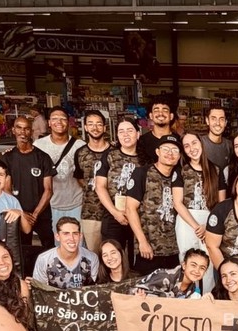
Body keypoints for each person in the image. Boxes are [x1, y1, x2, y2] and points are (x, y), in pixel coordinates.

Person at [174, 131, 226, 294]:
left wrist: (207, 225)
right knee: (187, 260)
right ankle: (187, 296)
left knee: (208, 260)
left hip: (210, 220)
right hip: (187, 220)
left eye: (194, 143)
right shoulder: (181, 170)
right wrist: (196, 226)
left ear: (201, 144)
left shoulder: (216, 170)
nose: (192, 148)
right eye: (187, 146)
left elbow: (221, 204)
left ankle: (207, 297)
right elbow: (177, 203)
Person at [125, 134, 184, 275]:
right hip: (149, 249)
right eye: (166, 149)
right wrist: (142, 241)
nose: (170, 153)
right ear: (157, 152)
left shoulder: (180, 176)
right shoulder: (142, 173)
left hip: (174, 249)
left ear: (179, 156)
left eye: (175, 150)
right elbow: (130, 208)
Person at [0, 115, 56, 252]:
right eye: (19, 128)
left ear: (31, 131)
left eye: (26, 129)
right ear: (13, 130)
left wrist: (35, 214)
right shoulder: (7, 158)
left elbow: (48, 190)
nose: (22, 132)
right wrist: (22, 212)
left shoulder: (43, 157)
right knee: (23, 249)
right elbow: (6, 189)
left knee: (49, 249)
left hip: (41, 213)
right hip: (19, 213)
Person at [34, 106, 86, 240]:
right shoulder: (39, 145)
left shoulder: (80, 145)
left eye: (63, 119)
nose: (59, 122)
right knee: (57, 243)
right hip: (50, 205)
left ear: (68, 122)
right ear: (49, 123)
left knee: (76, 241)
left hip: (76, 203)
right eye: (55, 119)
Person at [96, 118, 141, 262]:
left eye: (130, 130)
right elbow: (100, 187)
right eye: (121, 131)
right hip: (113, 215)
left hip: (139, 217)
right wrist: (115, 213)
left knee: (136, 258)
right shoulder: (109, 156)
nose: (125, 134)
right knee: (113, 255)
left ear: (138, 134)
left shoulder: (146, 158)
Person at [72, 110, 111, 253]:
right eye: (91, 124)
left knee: (115, 253)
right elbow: (79, 177)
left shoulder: (115, 152)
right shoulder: (80, 153)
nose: (95, 128)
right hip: (90, 212)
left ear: (104, 128)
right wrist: (92, 189)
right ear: (86, 127)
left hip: (113, 212)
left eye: (99, 124)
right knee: (93, 254)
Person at [32, 217, 99, 289]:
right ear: (57, 237)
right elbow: (39, 291)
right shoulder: (44, 259)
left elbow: (95, 290)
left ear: (80, 236)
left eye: (75, 233)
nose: (71, 238)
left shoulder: (91, 258)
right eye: (66, 234)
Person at [137, 98, 173, 166]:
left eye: (165, 110)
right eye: (156, 110)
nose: (160, 113)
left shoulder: (178, 141)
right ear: (151, 116)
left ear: (171, 116)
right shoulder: (142, 141)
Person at [200, 104, 232, 171]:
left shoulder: (230, 145)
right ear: (207, 121)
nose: (218, 123)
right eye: (213, 119)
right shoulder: (199, 143)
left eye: (221, 119)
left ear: (225, 123)